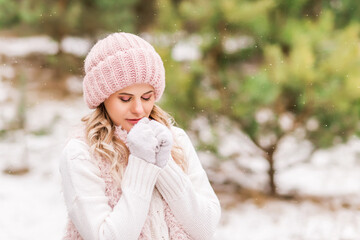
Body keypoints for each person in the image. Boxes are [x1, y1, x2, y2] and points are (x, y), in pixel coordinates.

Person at [59, 32, 221, 240]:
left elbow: (205, 227)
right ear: (103, 98)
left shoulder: (174, 141)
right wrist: (142, 163)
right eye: (125, 99)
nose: (138, 109)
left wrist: (163, 163)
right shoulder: (81, 154)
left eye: (147, 97)